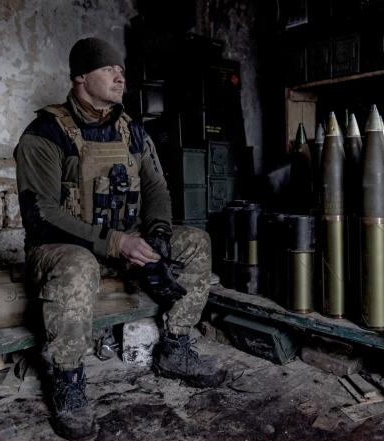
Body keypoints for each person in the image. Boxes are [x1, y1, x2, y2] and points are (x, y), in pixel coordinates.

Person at [14, 37, 226, 440]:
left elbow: (156, 188)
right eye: (108, 69)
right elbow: (42, 215)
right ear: (80, 77)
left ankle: (176, 347)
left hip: (122, 237)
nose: (119, 75)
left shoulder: (132, 131)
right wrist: (115, 244)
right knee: (78, 264)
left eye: (121, 70)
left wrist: (159, 233)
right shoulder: (44, 133)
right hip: (61, 246)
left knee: (195, 241)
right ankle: (69, 380)